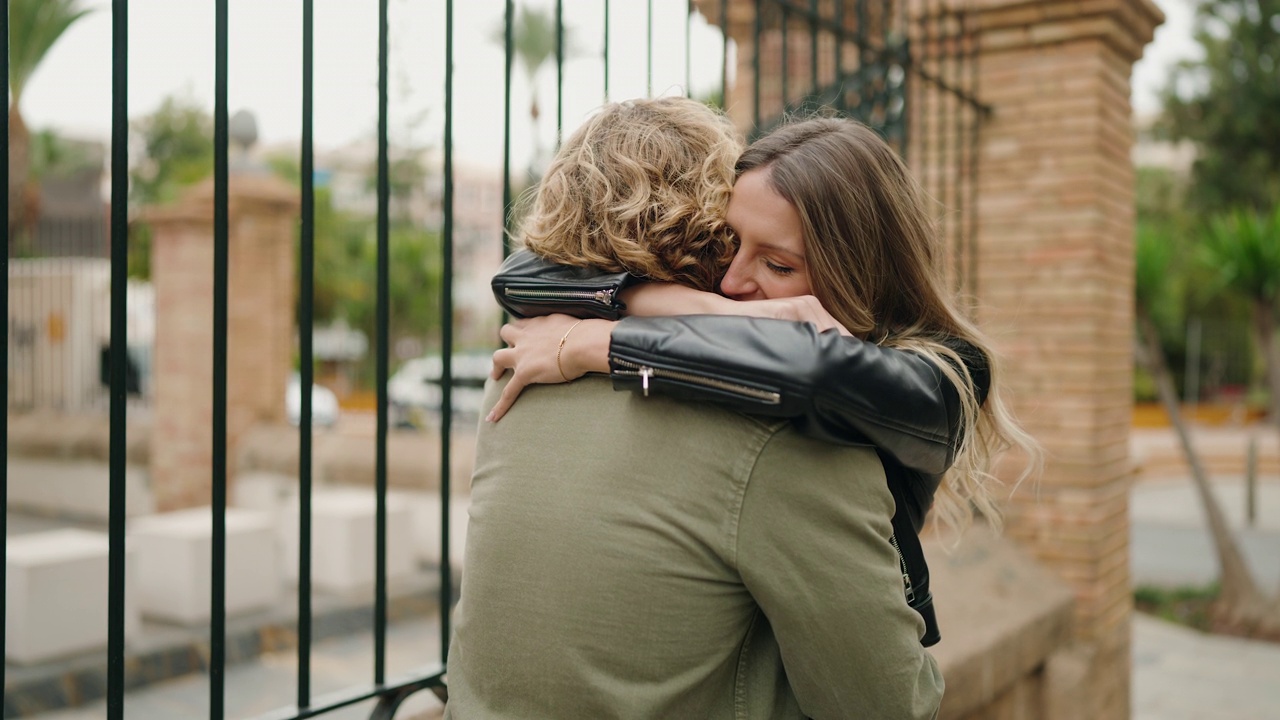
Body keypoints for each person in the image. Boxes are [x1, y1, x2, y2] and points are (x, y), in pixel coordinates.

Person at [444, 97, 945, 719]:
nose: (738, 280)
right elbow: (886, 703)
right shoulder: (773, 424)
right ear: (713, 218)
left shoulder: (521, 369)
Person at [487, 116, 1040, 647]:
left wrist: (592, 345)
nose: (731, 280)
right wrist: (704, 307)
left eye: (777, 266)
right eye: (730, 245)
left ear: (861, 273)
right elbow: (519, 276)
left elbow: (811, 369)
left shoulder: (949, 371)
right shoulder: (728, 309)